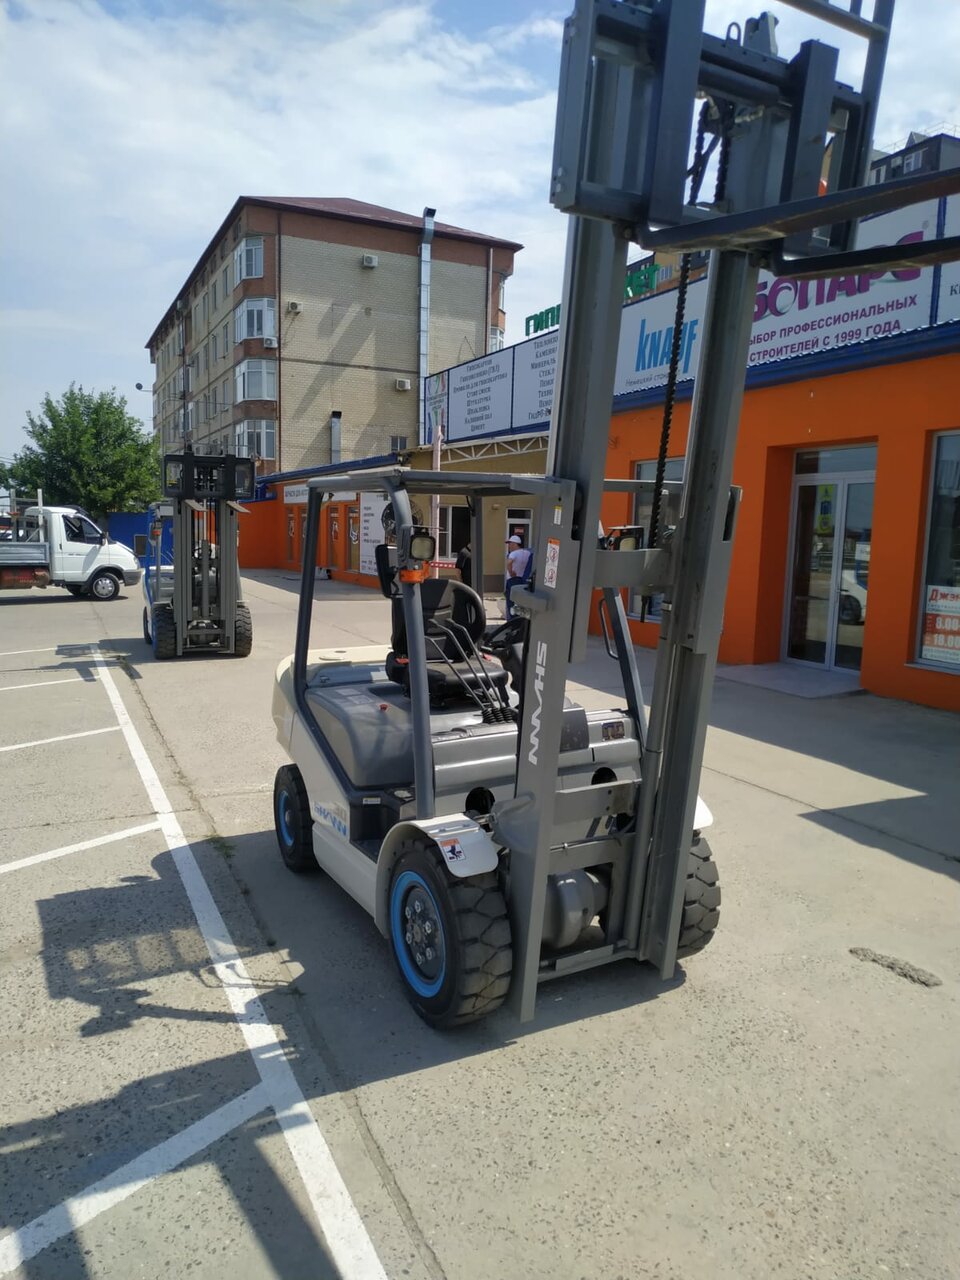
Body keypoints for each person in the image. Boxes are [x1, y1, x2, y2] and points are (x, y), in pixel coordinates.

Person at [504, 534, 533, 619]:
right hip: (523, 580)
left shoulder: (513, 553)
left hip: (512, 580)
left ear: (515, 544)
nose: (509, 546)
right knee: (520, 602)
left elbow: (509, 563)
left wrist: (511, 572)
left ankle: (512, 621)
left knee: (511, 602)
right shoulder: (528, 553)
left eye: (510, 544)